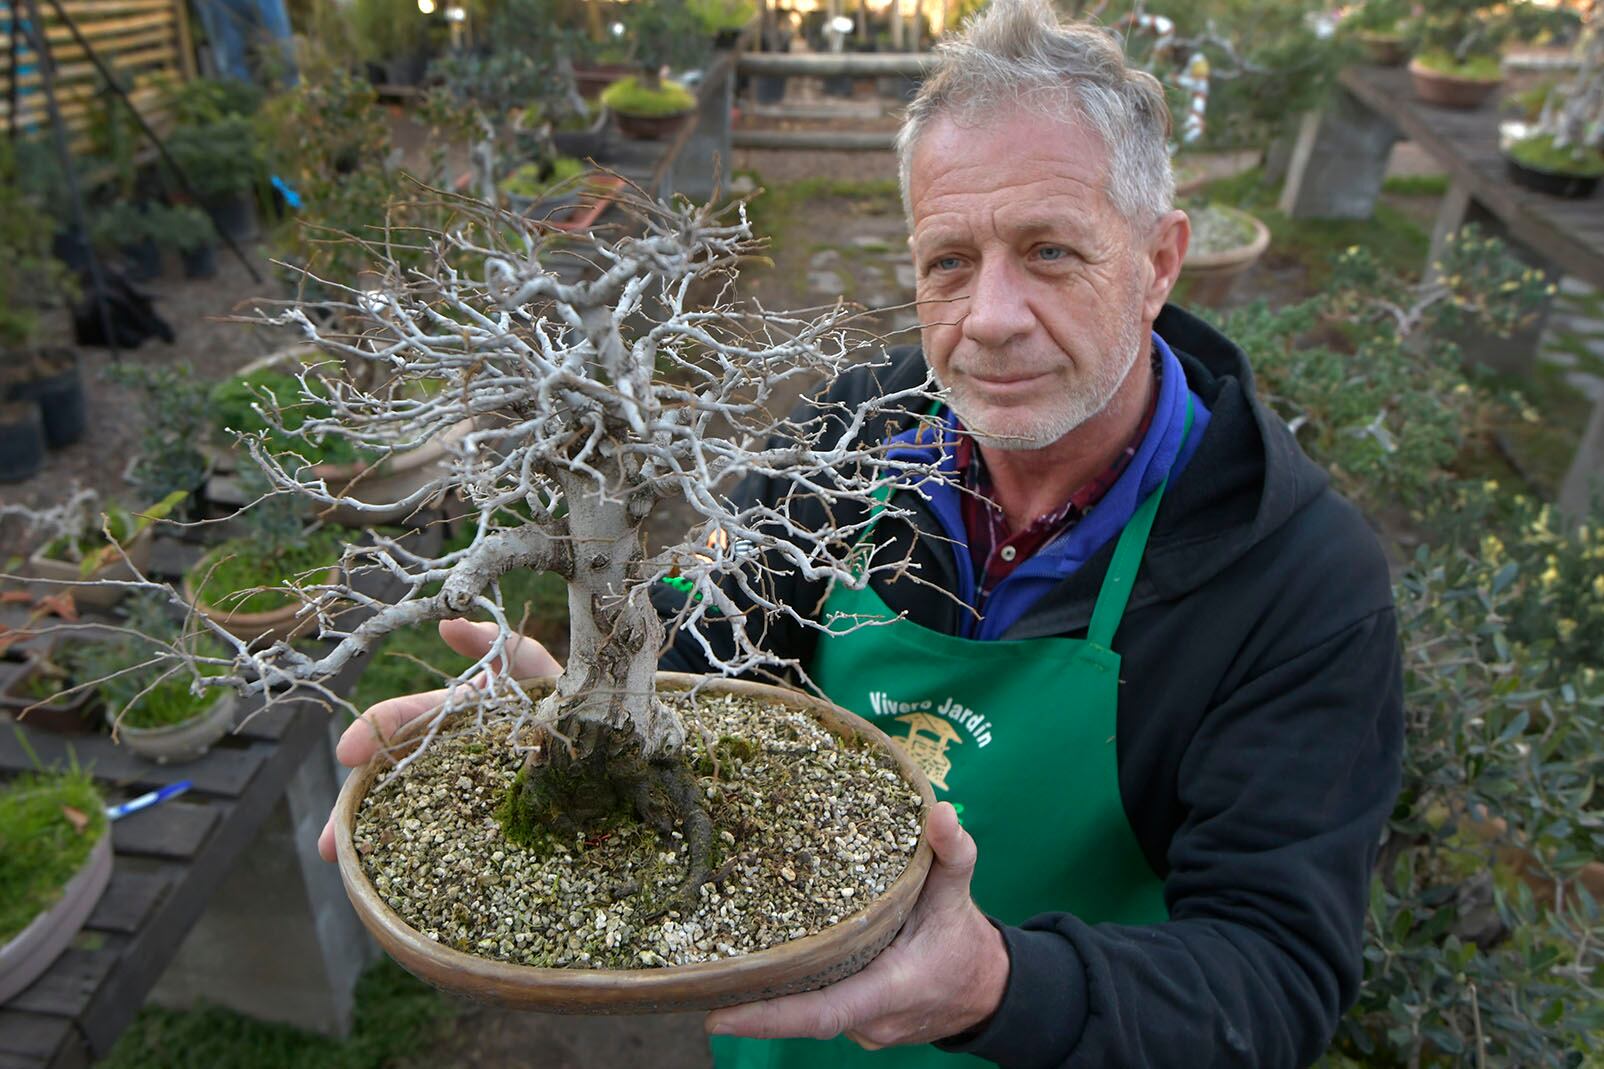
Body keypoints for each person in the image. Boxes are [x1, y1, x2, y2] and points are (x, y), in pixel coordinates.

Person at [318, 1, 1404, 1064]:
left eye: (1049, 252)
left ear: (1159, 262)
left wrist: (991, 984)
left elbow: (1270, 981)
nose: (988, 317)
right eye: (946, 261)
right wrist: (589, 695)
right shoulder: (853, 439)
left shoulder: (1295, 579)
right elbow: (708, 635)